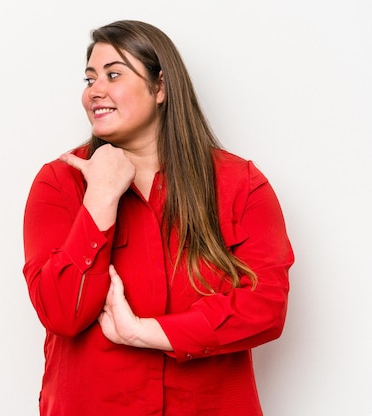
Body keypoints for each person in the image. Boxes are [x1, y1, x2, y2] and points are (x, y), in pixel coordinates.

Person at [22, 20, 294, 416]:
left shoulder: (240, 184)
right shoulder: (59, 182)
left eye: (113, 74)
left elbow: (266, 307)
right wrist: (100, 198)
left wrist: (143, 332)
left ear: (161, 87)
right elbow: (62, 312)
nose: (94, 90)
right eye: (89, 78)